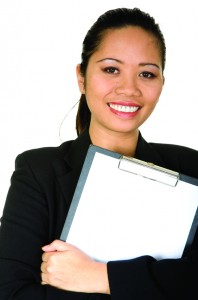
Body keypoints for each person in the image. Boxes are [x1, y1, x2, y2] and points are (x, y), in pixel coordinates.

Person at [0, 7, 198, 300]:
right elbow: (11, 292)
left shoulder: (191, 167)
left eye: (146, 73)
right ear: (82, 77)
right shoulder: (38, 171)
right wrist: (155, 284)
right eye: (111, 69)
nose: (129, 89)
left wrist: (98, 277)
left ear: (162, 84)